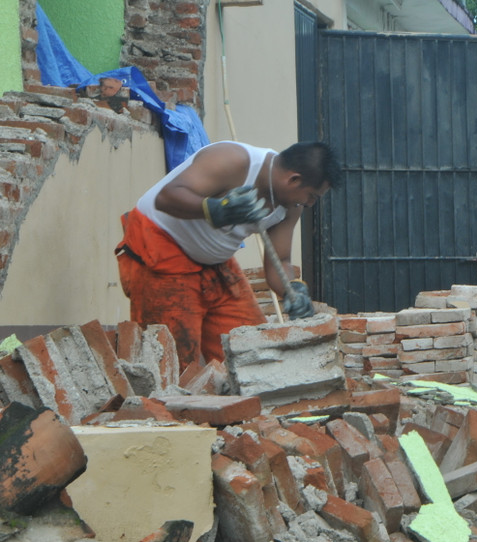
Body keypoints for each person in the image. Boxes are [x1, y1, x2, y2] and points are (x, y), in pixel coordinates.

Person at [115, 140, 342, 371]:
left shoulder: (292, 204)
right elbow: (166, 197)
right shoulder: (234, 161)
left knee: (252, 354)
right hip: (161, 248)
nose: (310, 203)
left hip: (215, 263)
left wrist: (293, 290)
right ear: (293, 180)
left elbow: (280, 259)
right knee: (174, 364)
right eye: (312, 196)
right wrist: (216, 208)